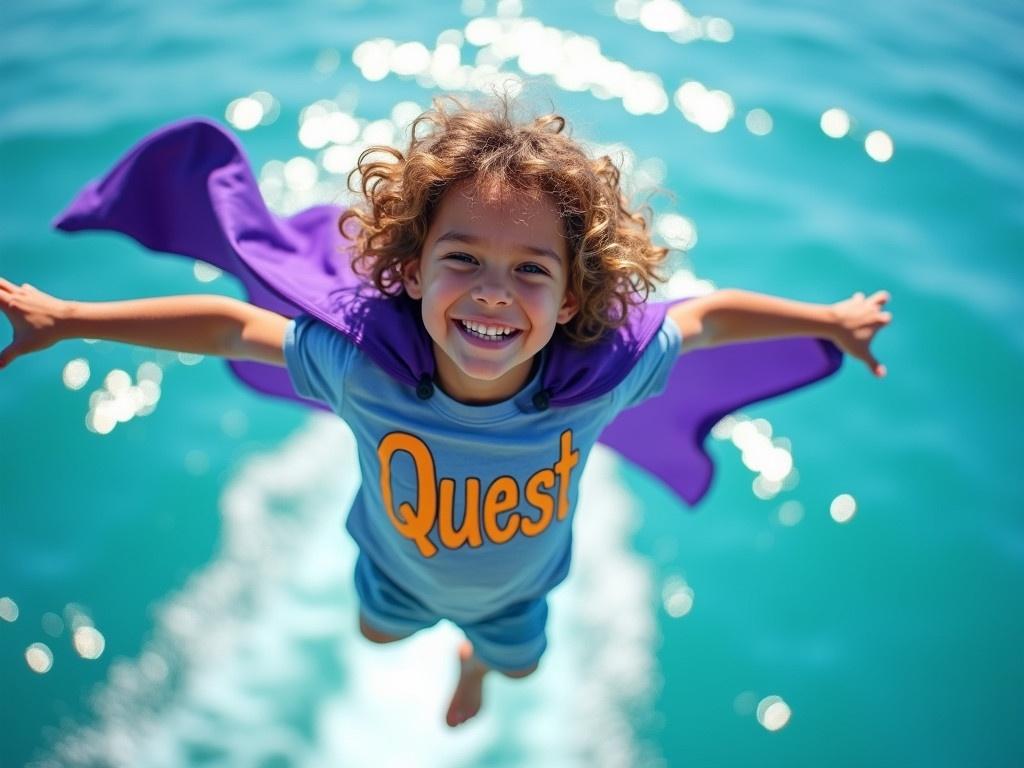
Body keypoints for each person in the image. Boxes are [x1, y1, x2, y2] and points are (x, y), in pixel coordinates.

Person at [0, 96, 892, 727]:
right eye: (462, 259)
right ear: (412, 270)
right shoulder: (363, 376)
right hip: (393, 574)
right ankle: (440, 638)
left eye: (533, 270)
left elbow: (704, 319)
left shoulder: (599, 382)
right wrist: (73, 321)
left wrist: (827, 321)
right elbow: (236, 326)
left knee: (520, 663)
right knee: (377, 638)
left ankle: (473, 662)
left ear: (575, 298)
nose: (493, 295)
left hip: (518, 594)